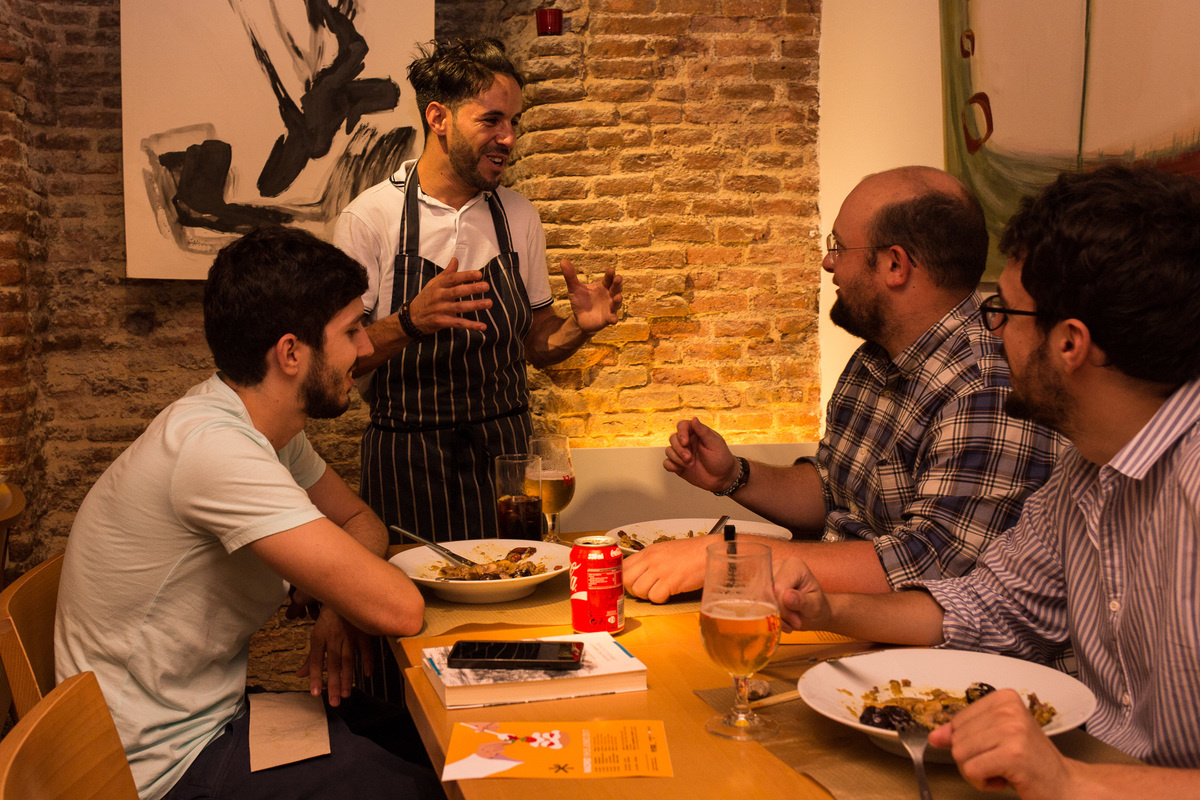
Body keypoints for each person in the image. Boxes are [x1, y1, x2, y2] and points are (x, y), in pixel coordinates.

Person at [775, 165, 1200, 795]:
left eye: (1004, 310)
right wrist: (827, 608)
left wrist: (1075, 783)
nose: (989, 328)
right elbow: (988, 607)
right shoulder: (1086, 472)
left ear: (1070, 344)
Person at [54, 227, 441, 800]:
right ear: (290, 353)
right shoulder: (215, 449)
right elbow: (400, 608)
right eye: (351, 331)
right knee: (434, 787)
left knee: (433, 744)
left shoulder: (264, 429)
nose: (365, 349)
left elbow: (362, 523)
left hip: (214, 718)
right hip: (157, 766)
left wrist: (339, 596)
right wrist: (351, 594)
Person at [624, 166, 1061, 603]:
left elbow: (929, 564)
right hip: (832, 616)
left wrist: (733, 557)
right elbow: (834, 492)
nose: (828, 261)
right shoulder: (875, 355)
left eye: (838, 245)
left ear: (895, 264)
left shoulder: (985, 385)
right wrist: (734, 475)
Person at [333, 38, 622, 543]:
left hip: (509, 461)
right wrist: (410, 321)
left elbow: (536, 342)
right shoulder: (369, 219)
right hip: (408, 460)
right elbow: (339, 363)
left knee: (519, 603)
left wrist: (578, 329)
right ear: (438, 118)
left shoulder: (517, 215)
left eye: (514, 123)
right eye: (492, 121)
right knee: (413, 613)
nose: (509, 138)